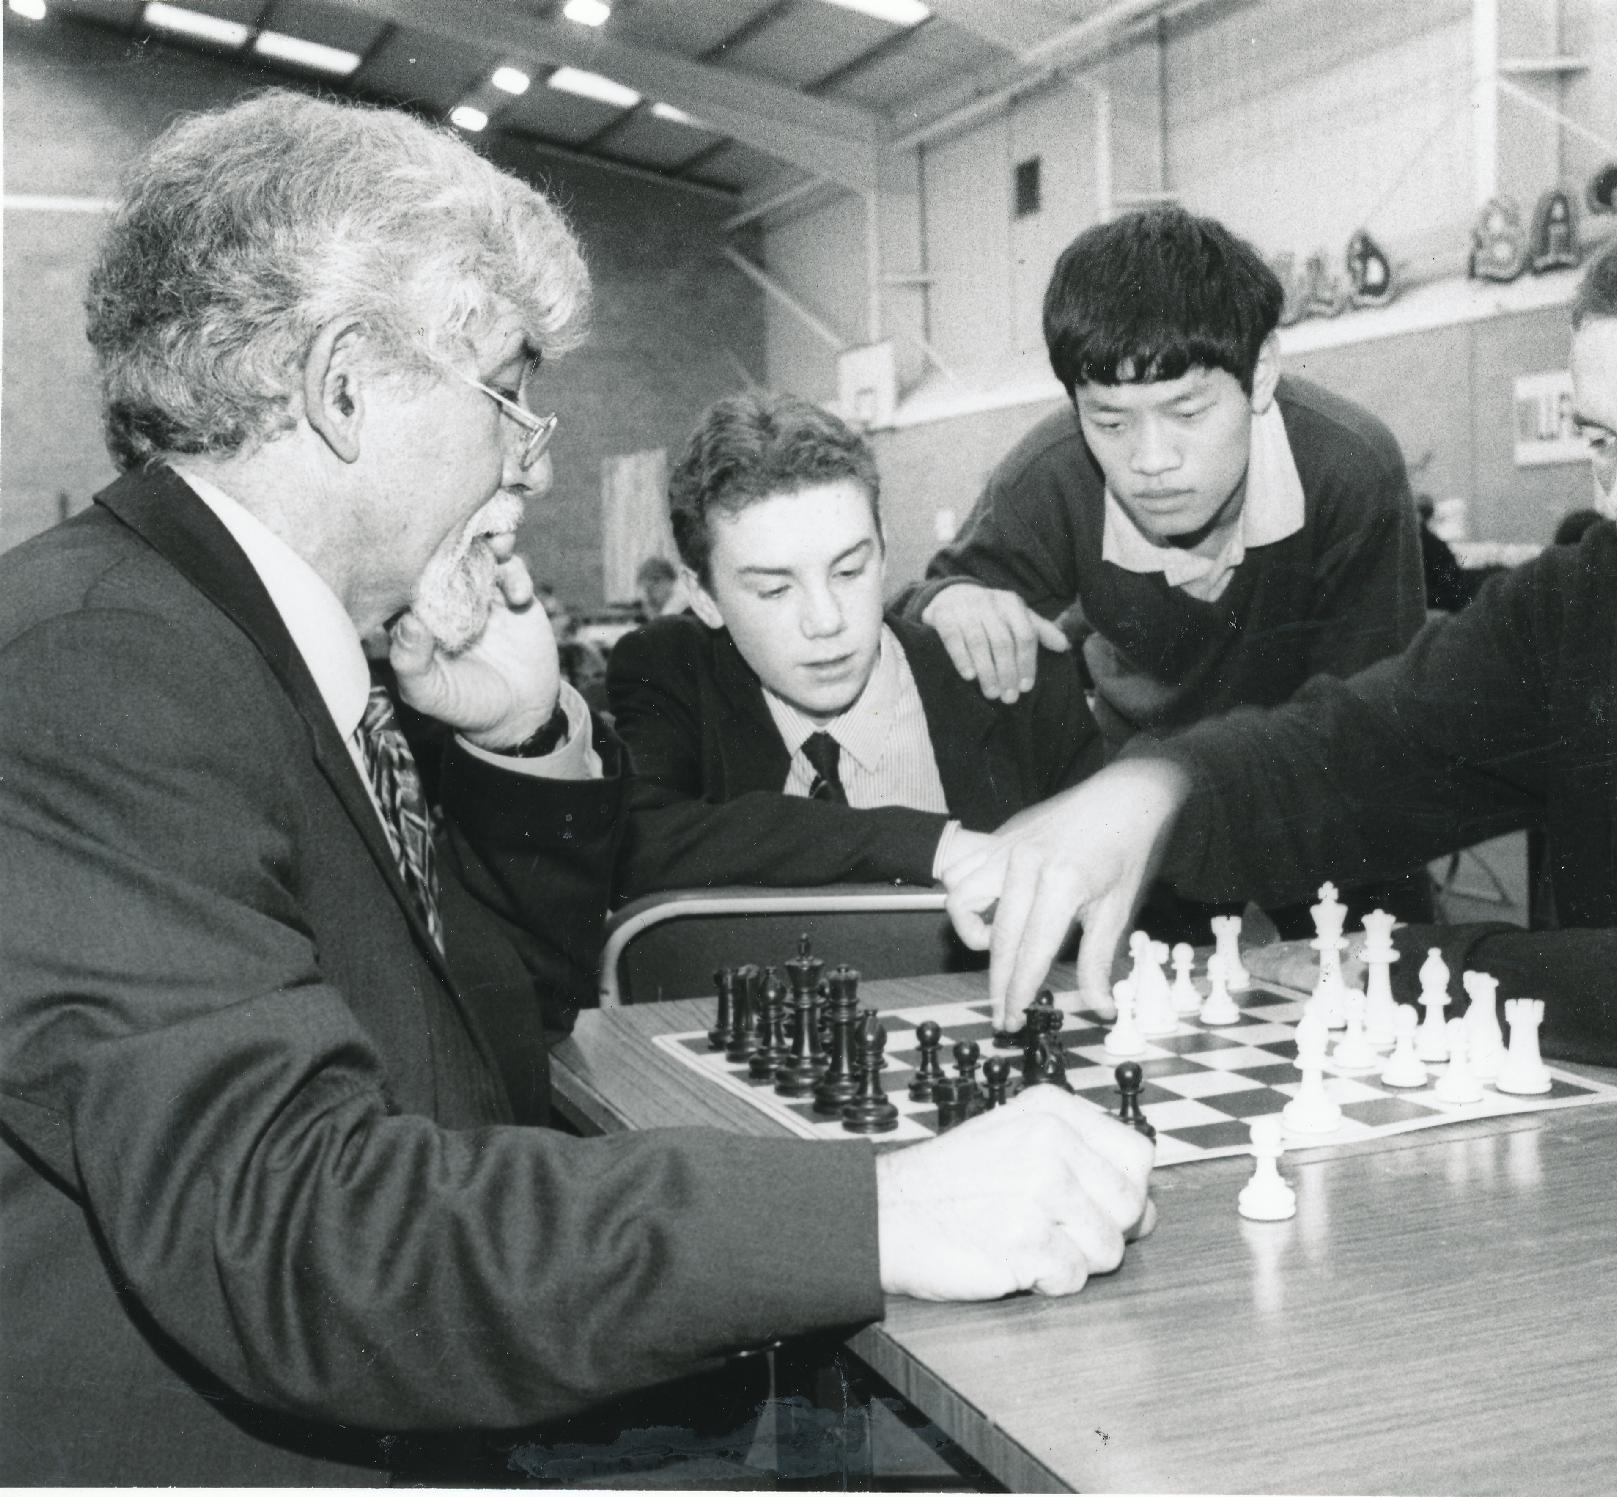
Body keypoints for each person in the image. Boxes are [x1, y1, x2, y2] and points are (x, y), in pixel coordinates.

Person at [0, 91, 1154, 1487]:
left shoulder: (252, 646)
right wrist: (877, 1211)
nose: (527, 456)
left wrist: (515, 734)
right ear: (344, 386)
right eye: (506, 393)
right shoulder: (98, 666)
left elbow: (490, 1055)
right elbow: (300, 1228)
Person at [941, 196, 1617, 1150]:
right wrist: (1157, 788)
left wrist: (1392, 966)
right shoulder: (1592, 595)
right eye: (1599, 441)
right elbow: (1363, 748)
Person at [900, 203, 1431, 926]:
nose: (1150, 460)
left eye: (1187, 412)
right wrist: (952, 601)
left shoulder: (1349, 468)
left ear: (1262, 371)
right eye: (1111, 421)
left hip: (1318, 777)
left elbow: (1371, 728)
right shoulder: (1051, 474)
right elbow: (927, 601)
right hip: (1142, 785)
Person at [608, 391, 1102, 895]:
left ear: (884, 551)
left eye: (848, 571)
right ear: (703, 596)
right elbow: (635, 840)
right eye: (774, 589)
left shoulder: (1018, 677)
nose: (825, 621)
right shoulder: (669, 671)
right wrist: (928, 845)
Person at [637, 551, 692, 618]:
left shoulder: (681, 597)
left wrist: (652, 612)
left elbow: (661, 624)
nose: (649, 597)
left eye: (650, 589)